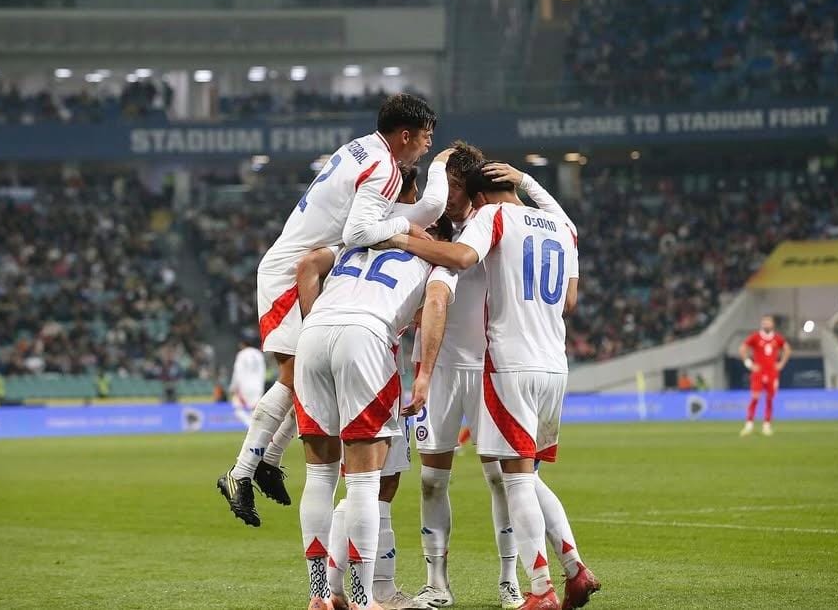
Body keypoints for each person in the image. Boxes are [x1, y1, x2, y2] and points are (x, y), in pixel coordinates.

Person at [383, 152, 598, 610]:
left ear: (472, 190)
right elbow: (569, 293)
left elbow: (461, 260)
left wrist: (399, 238)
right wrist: (529, 181)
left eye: (454, 187)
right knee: (437, 481)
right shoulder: (549, 226)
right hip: (448, 369)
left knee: (512, 479)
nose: (448, 198)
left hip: (493, 367)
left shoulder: (488, 223)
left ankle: (517, 583)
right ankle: (438, 584)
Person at [217, 94, 441, 527]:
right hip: (292, 273)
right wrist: (404, 226)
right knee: (293, 377)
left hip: (296, 264)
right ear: (406, 135)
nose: (427, 146)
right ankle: (241, 472)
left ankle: (266, 461)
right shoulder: (386, 169)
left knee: (305, 380)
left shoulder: (357, 147)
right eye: (426, 138)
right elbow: (359, 231)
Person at [296, 161, 445, 610]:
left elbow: (306, 265)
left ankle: (320, 595)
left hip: (315, 331)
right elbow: (434, 305)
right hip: (366, 337)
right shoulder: (431, 249)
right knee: (363, 483)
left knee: (320, 476)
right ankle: (361, 599)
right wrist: (424, 371)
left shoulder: (353, 235)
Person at [739, 315, 792, 437]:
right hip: (758, 372)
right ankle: (749, 425)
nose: (766, 324)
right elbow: (742, 348)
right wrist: (749, 364)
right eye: (764, 322)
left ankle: (766, 425)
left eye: (768, 322)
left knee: (769, 399)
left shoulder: (777, 338)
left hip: (772, 373)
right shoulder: (755, 337)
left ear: (772, 324)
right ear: (761, 324)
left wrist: (781, 363)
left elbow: (787, 349)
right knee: (755, 397)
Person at [228, 340, 267, 410]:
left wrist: (233, 387)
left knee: (237, 408)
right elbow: (263, 371)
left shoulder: (242, 354)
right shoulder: (259, 354)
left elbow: (237, 372)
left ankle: (246, 421)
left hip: (244, 386)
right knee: (255, 410)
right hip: (258, 386)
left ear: (243, 344)